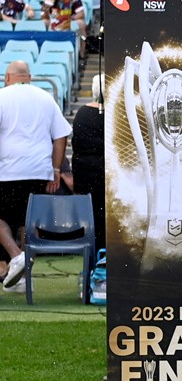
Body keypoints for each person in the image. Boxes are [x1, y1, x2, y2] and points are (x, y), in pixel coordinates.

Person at [0, 61, 71, 291]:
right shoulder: (45, 97)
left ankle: (15, 257)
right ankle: (21, 277)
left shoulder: (2, 96)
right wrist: (56, 170)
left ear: (8, 77)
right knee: (25, 222)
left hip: (7, 169)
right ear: (28, 77)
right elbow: (60, 136)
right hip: (39, 170)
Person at [72, 75, 106, 257]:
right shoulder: (115, 115)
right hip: (106, 173)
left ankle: (93, 257)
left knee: (93, 218)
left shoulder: (81, 114)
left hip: (85, 174)